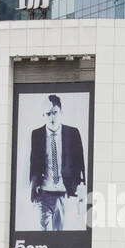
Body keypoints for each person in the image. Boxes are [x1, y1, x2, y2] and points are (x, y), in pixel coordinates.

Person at [29, 93, 87, 232]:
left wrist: (82, 183)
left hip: (64, 192)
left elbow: (80, 160)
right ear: (43, 115)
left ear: (61, 112)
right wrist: (32, 187)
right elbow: (34, 163)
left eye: (55, 112)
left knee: (59, 232)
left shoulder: (72, 133)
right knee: (43, 231)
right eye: (48, 114)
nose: (52, 117)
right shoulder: (36, 134)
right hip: (43, 192)